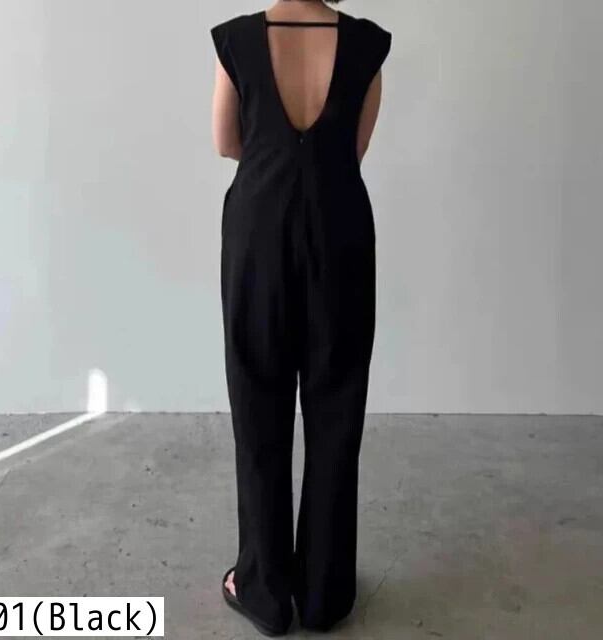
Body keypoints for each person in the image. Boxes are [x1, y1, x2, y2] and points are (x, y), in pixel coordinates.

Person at [210, 0, 392, 635]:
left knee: (257, 399)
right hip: (340, 229)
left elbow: (227, 143)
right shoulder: (366, 45)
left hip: (258, 228)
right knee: (337, 403)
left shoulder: (237, 41)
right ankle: (324, 592)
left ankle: (263, 589)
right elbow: (353, 150)